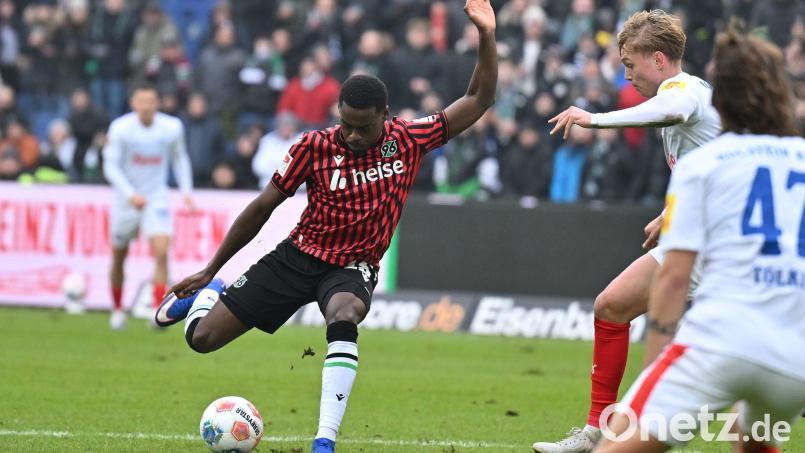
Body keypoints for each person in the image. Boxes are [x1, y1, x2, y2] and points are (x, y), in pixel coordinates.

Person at [154, 1, 497, 452]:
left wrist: (486, 36)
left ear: (385, 115)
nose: (351, 135)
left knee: (345, 312)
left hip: (352, 266)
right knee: (201, 340)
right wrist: (210, 269)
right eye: (345, 124)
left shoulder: (408, 140)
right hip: (297, 257)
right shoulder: (313, 147)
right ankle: (211, 294)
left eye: (362, 128)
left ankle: (324, 441)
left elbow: (479, 99)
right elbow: (262, 207)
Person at [595, 22, 805, 453]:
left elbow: (673, 279)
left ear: (720, 99)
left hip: (722, 344)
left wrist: (655, 369)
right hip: (794, 358)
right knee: (752, 437)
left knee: (619, 446)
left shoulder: (705, 163)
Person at [533, 10, 721, 453]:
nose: (627, 75)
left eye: (631, 65)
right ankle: (596, 431)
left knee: (734, 356)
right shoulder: (694, 95)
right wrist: (669, 213)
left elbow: (670, 111)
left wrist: (594, 119)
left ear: (658, 59)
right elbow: (712, 166)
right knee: (612, 306)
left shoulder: (683, 91)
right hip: (694, 233)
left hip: (716, 244)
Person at [103, 84, 193, 330]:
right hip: (126, 200)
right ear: (133, 103)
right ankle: (117, 309)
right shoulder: (120, 128)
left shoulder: (171, 127)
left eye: (150, 101)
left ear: (157, 103)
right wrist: (130, 194)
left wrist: (186, 191)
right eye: (141, 101)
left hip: (156, 198)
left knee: (162, 252)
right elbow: (110, 166)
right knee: (119, 255)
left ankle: (157, 310)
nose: (146, 106)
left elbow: (179, 158)